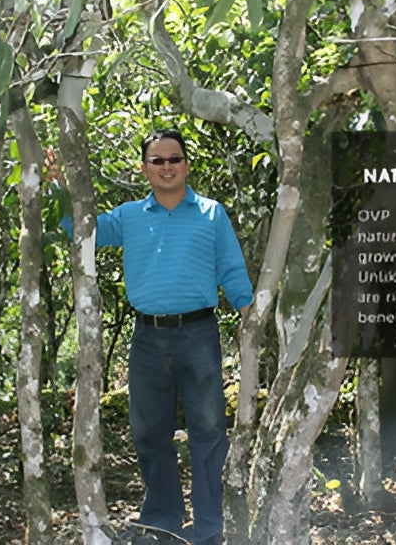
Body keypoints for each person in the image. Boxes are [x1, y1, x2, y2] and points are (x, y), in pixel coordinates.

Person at [48, 129, 252, 545]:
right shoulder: (128, 216)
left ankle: (210, 527)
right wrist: (59, 190)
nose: (166, 167)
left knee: (209, 429)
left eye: (174, 159)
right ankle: (163, 521)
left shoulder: (212, 214)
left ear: (187, 165)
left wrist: (250, 318)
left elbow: (232, 270)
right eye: (157, 161)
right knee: (148, 431)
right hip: (147, 338)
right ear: (145, 169)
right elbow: (82, 231)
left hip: (199, 333)